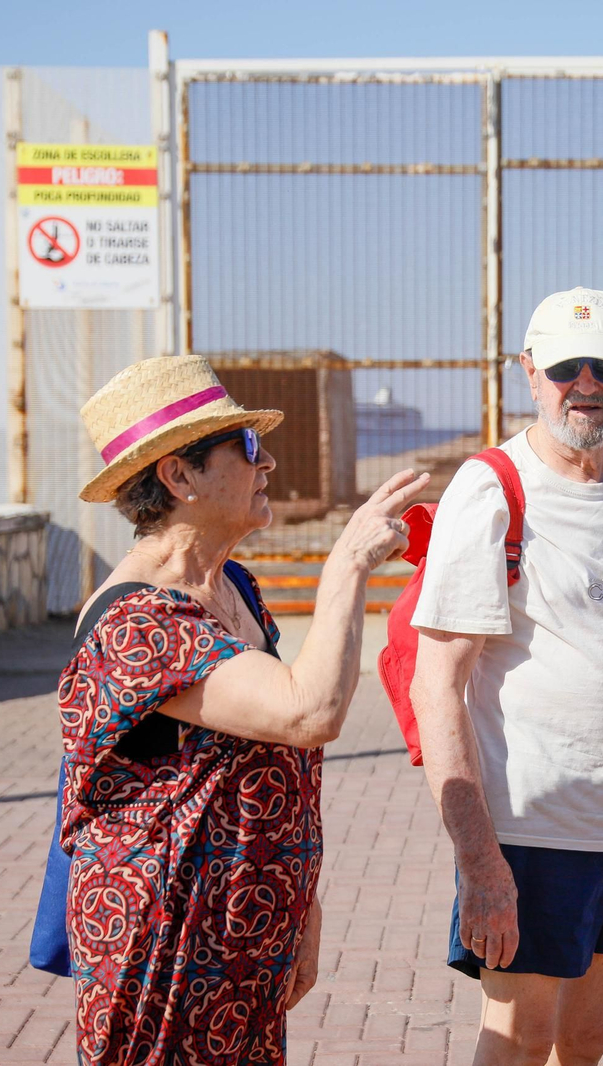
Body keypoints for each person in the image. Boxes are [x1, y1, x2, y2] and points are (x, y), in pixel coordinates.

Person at [61, 355, 427, 1065]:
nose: (269, 463)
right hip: (166, 939)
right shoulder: (137, 623)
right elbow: (308, 712)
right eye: (248, 447)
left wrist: (299, 905)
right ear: (179, 476)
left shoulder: (233, 585)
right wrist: (347, 566)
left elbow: (278, 755)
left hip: (244, 925)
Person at [409, 287, 603, 1066]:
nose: (586, 384)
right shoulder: (493, 488)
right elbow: (435, 684)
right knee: (520, 1038)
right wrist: (479, 861)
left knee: (587, 1035)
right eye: (567, 366)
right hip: (534, 829)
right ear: (530, 371)